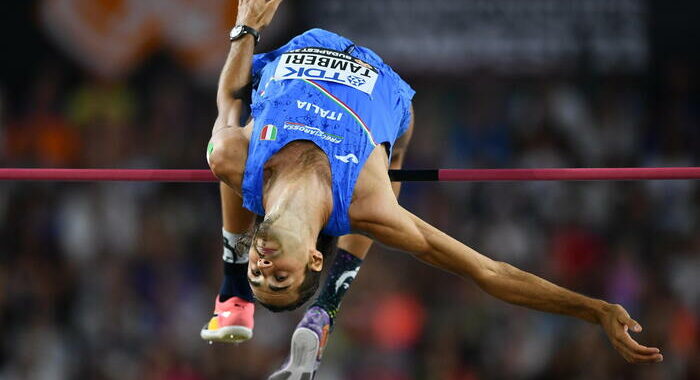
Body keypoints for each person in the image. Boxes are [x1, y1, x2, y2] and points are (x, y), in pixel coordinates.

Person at [201, 0, 663, 378]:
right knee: (386, 178)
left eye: (258, 276)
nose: (264, 269)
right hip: (381, 91)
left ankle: (233, 285)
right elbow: (489, 272)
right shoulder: (370, 202)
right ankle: (328, 303)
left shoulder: (235, 157)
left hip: (295, 58)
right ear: (313, 259)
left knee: (227, 159)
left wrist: (245, 28)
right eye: (279, 277)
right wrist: (594, 309)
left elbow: (229, 99)